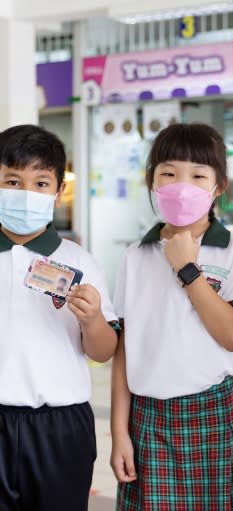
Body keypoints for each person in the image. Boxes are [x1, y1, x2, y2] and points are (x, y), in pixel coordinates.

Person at [110, 123, 233, 510]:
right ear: (152, 182)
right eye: (168, 173)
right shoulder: (135, 255)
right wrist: (118, 433)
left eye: (198, 175)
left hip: (214, 413)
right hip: (149, 418)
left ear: (219, 186)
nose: (182, 185)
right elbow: (123, 350)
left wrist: (188, 270)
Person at [0, 125, 120, 511]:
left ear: (58, 191)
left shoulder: (79, 260)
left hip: (61, 425)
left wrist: (93, 319)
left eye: (40, 182)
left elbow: (103, 351)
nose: (25, 193)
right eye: (12, 181)